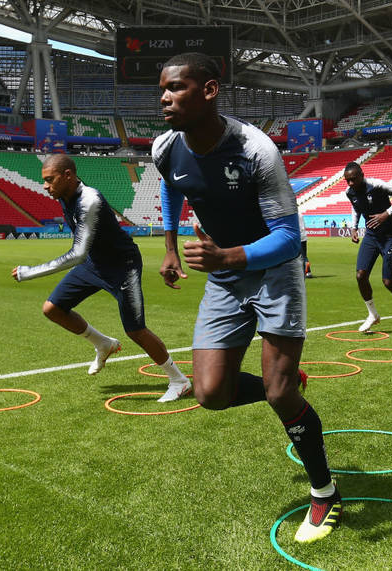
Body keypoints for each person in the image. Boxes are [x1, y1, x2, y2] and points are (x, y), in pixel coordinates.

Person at [154, 52, 340, 544]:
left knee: (279, 395)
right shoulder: (164, 147)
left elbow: (288, 239)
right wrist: (170, 246)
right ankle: (287, 383)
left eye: (176, 88)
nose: (165, 98)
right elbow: (172, 187)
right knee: (210, 394)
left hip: (274, 271)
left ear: (209, 90)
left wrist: (227, 256)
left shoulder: (255, 149)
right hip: (224, 275)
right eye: (162, 90)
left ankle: (325, 492)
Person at [12, 154, 191, 402]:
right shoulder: (65, 195)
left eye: (49, 180)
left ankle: (179, 380)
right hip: (94, 264)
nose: (45, 186)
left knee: (135, 330)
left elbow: (77, 254)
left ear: (68, 176)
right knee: (52, 309)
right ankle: (103, 344)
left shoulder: (89, 200)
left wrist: (29, 272)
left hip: (122, 266)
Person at [343, 162, 392, 332]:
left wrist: (386, 213)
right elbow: (356, 207)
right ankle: (372, 314)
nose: (350, 183)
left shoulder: (377, 185)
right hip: (371, 237)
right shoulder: (349, 192)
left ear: (362, 175)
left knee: (388, 282)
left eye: (353, 179)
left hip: (390, 236)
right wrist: (354, 227)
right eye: (347, 180)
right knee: (360, 275)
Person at [299, 214, 312, 278]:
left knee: (301, 256)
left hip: (299, 237)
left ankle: (307, 271)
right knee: (304, 256)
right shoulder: (300, 215)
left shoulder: (295, 215)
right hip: (303, 237)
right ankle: (307, 272)